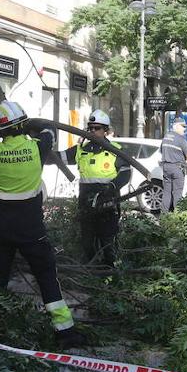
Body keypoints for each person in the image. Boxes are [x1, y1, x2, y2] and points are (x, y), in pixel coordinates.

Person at [0, 100, 87, 347]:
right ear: (24, 125)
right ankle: (64, 331)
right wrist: (33, 125)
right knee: (47, 278)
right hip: (32, 231)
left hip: (0, 232)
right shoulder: (38, 147)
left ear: (0, 130)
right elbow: (49, 129)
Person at [62, 109, 131, 268]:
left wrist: (111, 188)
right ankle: (93, 272)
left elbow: (125, 174)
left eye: (97, 128)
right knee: (87, 242)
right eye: (90, 128)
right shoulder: (81, 150)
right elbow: (59, 157)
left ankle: (111, 273)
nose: (93, 131)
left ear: (105, 130)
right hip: (86, 205)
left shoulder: (115, 150)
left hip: (107, 204)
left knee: (108, 242)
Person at [158, 121, 187, 213]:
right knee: (177, 193)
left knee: (167, 192)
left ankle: (163, 216)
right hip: (177, 168)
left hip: (166, 167)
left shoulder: (166, 137)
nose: (184, 129)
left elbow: (162, 151)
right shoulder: (180, 139)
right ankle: (177, 215)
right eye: (182, 127)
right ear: (176, 126)